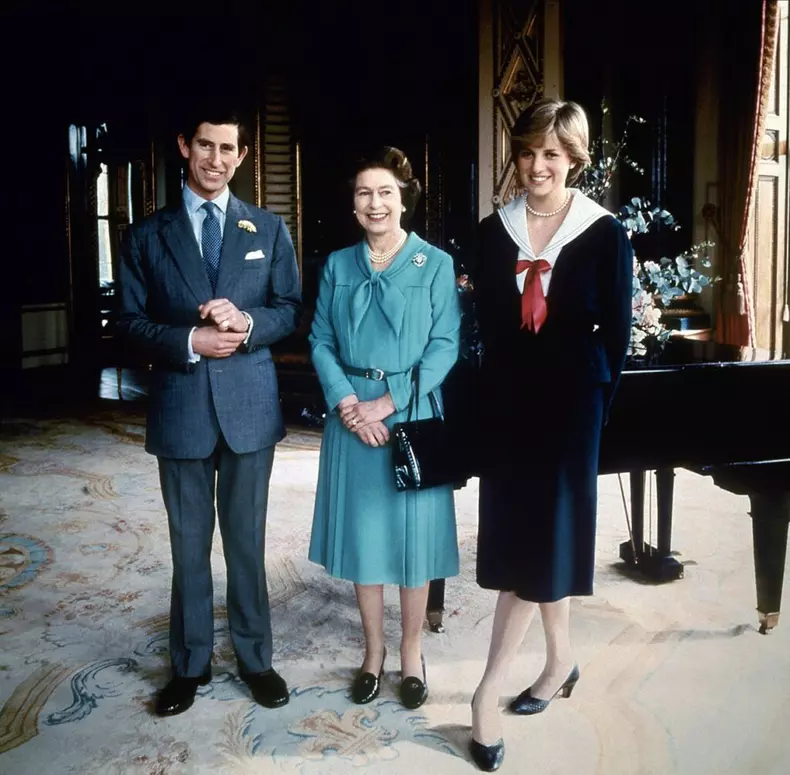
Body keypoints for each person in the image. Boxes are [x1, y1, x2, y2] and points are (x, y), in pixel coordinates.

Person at [117, 111, 301, 717]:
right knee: (188, 546)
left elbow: (289, 309)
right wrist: (187, 342)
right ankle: (189, 665)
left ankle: (255, 658)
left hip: (250, 408)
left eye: (227, 149)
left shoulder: (269, 228)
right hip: (181, 410)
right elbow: (127, 323)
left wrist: (248, 325)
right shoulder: (148, 234)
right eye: (205, 145)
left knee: (246, 544)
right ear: (183, 147)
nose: (215, 159)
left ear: (242, 156)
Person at [468, 99, 633, 771]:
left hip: (570, 409)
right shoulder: (490, 232)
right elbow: (485, 328)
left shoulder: (604, 234)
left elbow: (617, 337)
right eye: (529, 151)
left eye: (552, 155)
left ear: (575, 160)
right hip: (510, 405)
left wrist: (590, 409)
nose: (538, 165)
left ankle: (485, 694)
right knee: (529, 541)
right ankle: (561, 661)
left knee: (536, 548)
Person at [308, 146, 461, 710]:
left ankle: (412, 652)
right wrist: (349, 402)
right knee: (366, 540)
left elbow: (446, 346)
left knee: (413, 544)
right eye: (364, 193)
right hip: (350, 415)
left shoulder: (436, 265)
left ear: (404, 201)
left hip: (412, 415)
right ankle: (372, 652)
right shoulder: (338, 265)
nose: (375, 203)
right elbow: (320, 340)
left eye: (385, 193)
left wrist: (388, 402)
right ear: (353, 205)